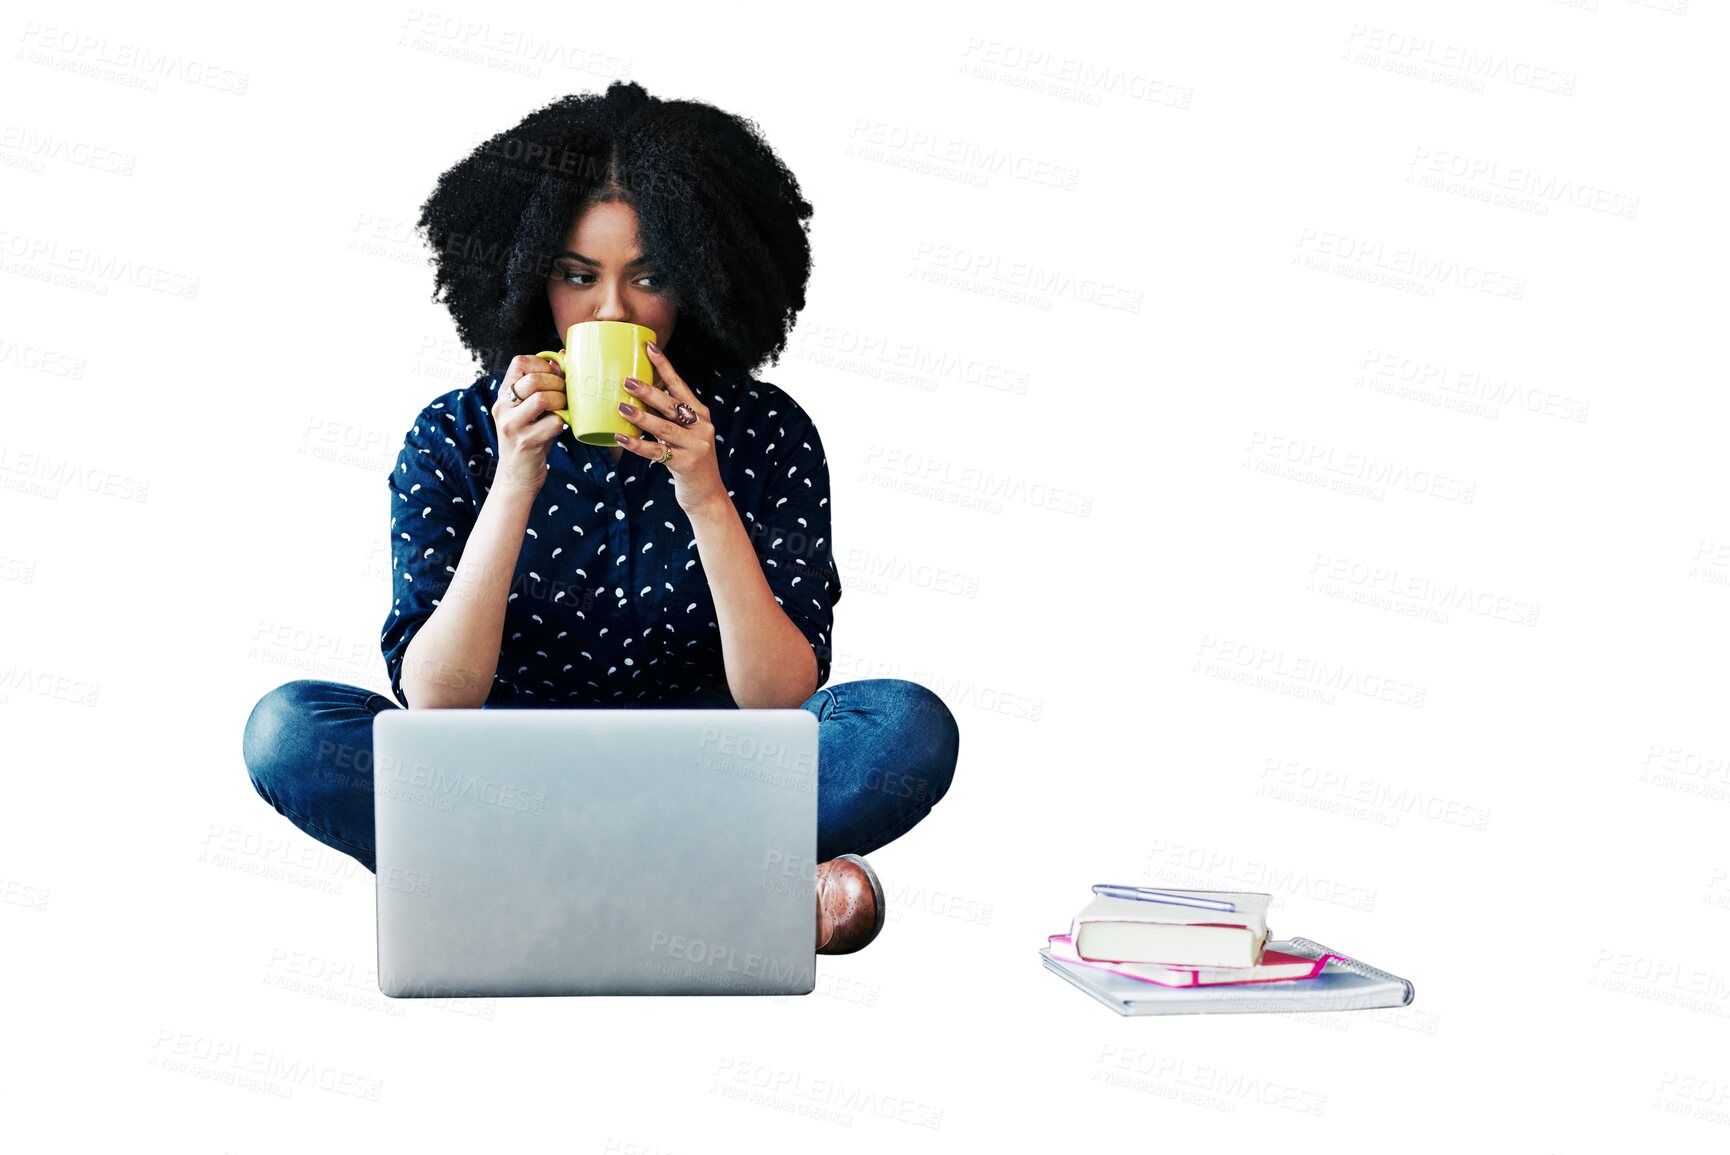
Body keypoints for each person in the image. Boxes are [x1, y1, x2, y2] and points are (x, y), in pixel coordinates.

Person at [241, 80, 959, 955]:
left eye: (648, 277)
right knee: (288, 730)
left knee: (907, 728)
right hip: (503, 777)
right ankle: (722, 891)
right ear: (529, 274)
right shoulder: (455, 434)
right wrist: (515, 479)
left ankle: (525, 895)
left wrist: (704, 490)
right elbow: (433, 698)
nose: (611, 312)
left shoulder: (768, 430)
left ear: (698, 280)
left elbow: (780, 698)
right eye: (578, 277)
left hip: (713, 771)